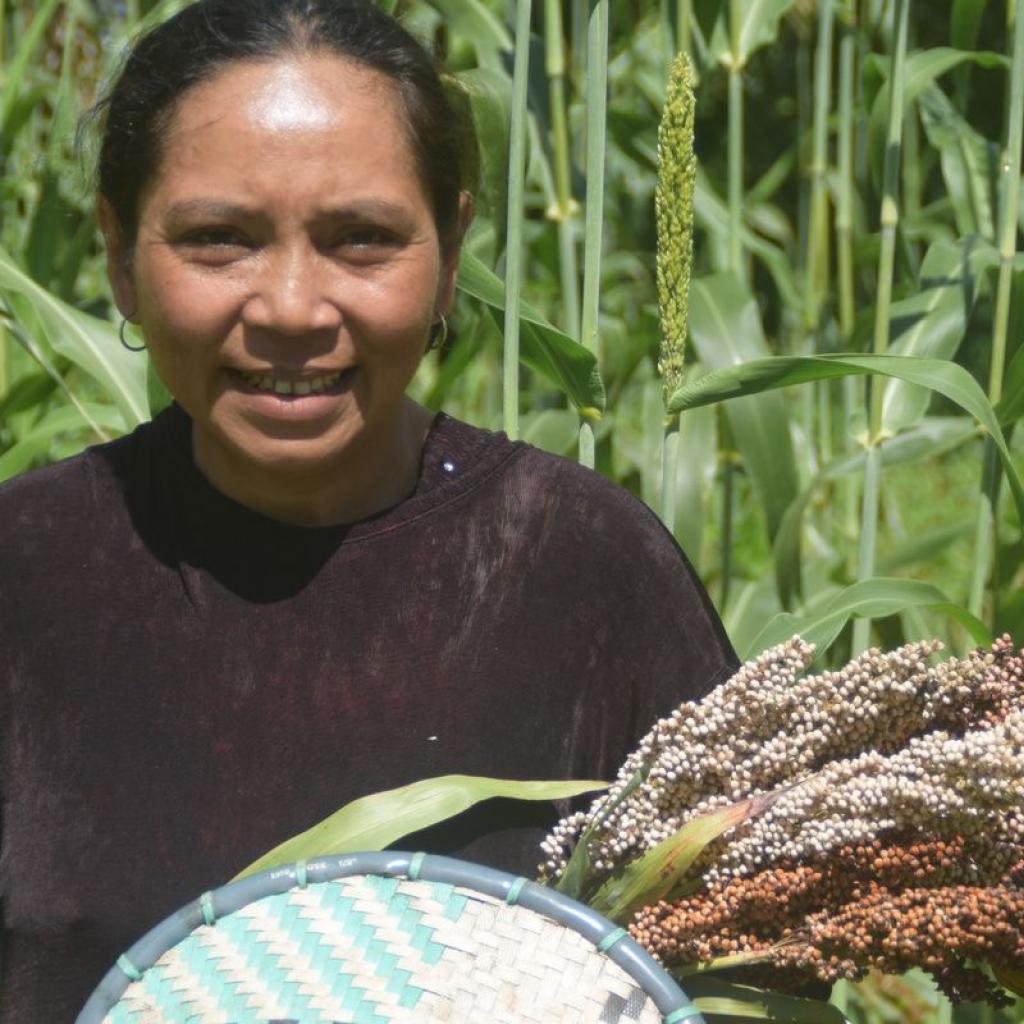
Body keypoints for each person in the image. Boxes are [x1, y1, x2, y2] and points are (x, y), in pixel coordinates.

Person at [0, 1, 737, 1019]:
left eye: (362, 240)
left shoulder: (585, 571)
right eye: (219, 240)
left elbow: (742, 970)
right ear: (122, 258)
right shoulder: (25, 572)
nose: (293, 308)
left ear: (449, 249)